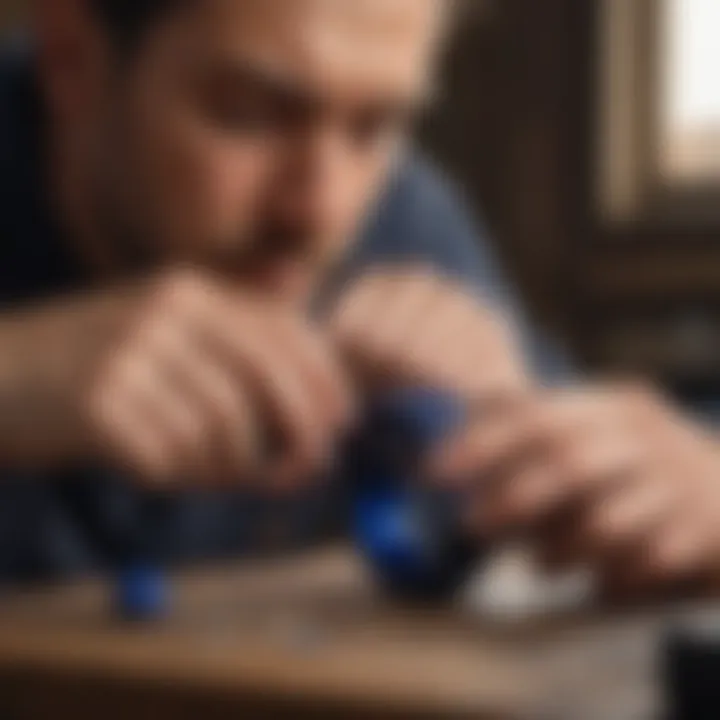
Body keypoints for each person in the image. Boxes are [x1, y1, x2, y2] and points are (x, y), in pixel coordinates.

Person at [0, 0, 718, 598]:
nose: (320, 211)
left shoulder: (403, 220)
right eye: (249, 115)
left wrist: (689, 495)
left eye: (376, 126)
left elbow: (606, 480)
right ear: (74, 62)